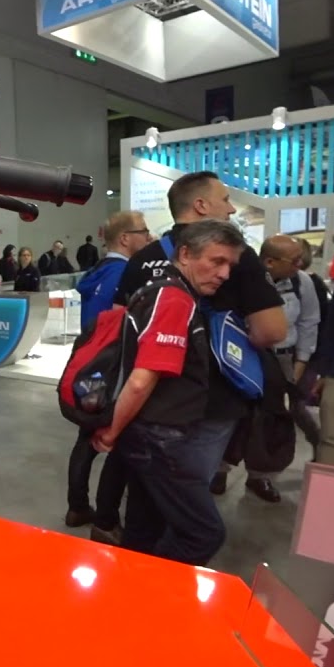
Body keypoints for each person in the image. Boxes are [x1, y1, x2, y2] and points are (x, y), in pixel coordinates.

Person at [114, 172, 286, 498]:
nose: (231, 209)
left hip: (150, 397)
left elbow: (118, 323)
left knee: (150, 489)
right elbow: (272, 331)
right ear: (201, 205)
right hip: (212, 398)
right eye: (225, 199)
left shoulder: (141, 258)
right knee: (189, 497)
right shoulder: (236, 255)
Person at [93, 220, 245, 566]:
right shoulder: (174, 299)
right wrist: (112, 432)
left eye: (230, 266)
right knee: (204, 533)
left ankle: (131, 585)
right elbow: (140, 381)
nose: (224, 274)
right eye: (217, 261)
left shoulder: (160, 291)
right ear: (186, 254)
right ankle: (151, 589)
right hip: (159, 439)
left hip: (150, 434)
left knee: (143, 527)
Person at [63, 211, 150, 532]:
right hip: (114, 369)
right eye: (143, 232)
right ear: (125, 238)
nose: (149, 238)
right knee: (119, 441)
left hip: (88, 366)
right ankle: (106, 518)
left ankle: (77, 506)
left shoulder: (97, 271)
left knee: (85, 437)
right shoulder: (126, 274)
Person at [230, 235, 319, 502]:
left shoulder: (302, 282)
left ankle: (260, 475)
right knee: (233, 414)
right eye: (294, 260)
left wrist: (300, 363)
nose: (300, 264)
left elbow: (308, 322)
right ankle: (220, 469)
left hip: (282, 359)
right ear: (269, 261)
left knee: (274, 418)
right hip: (244, 356)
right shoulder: (242, 277)